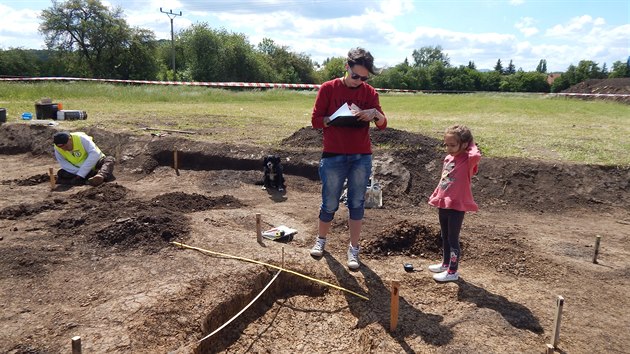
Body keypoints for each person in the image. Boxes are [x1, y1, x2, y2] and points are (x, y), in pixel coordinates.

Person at [309, 47, 388, 270]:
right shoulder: (328, 89)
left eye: (364, 78)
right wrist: (333, 119)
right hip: (333, 155)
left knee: (357, 203)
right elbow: (315, 120)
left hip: (361, 156)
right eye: (355, 76)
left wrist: (374, 114)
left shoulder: (370, 93)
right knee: (330, 202)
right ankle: (321, 241)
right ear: (347, 67)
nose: (359, 81)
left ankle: (354, 249)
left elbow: (383, 125)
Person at [427, 125, 481, 282]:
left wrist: (469, 143)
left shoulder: (468, 159)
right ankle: (445, 263)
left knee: (452, 238)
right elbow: (445, 179)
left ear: (464, 144)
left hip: (457, 205)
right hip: (444, 201)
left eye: (453, 145)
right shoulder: (448, 158)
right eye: (446, 145)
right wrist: (438, 194)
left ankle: (452, 271)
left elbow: (476, 155)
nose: (449, 149)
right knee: (444, 236)